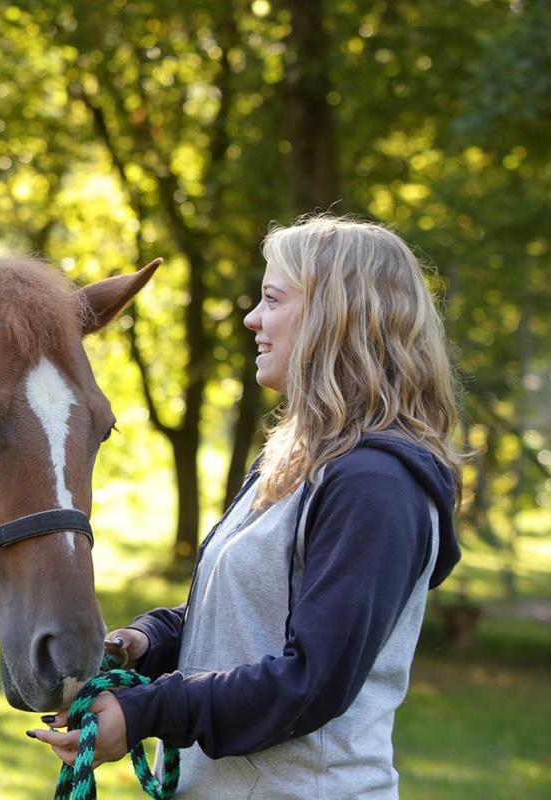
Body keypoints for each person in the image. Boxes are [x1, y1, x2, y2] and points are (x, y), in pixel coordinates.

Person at [28, 215, 463, 799]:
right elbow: (241, 620)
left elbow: (309, 680)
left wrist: (146, 713)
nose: (252, 319)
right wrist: (144, 642)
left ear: (336, 318)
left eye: (273, 299)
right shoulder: (296, 460)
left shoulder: (375, 487)